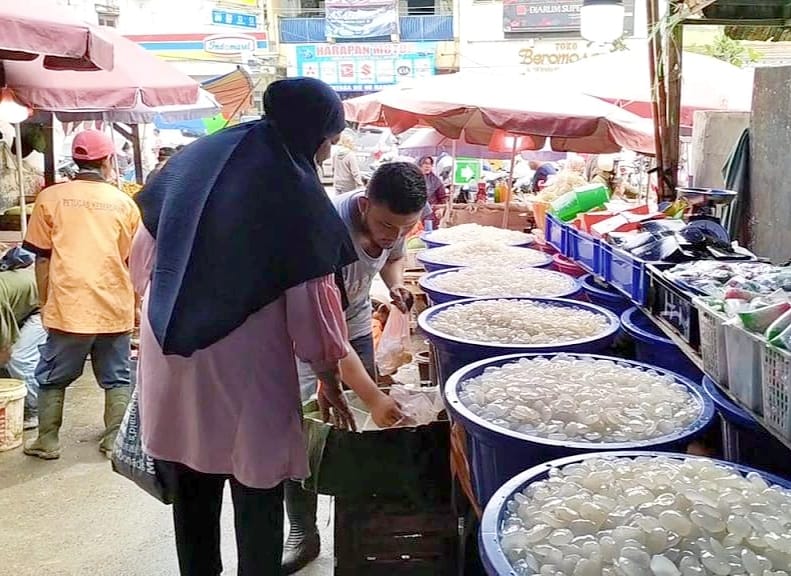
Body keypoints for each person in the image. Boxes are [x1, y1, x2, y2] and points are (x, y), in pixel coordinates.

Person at [131, 77, 375, 576]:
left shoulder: (197, 158)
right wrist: (327, 372)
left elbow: (141, 259)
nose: (327, 155)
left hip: (168, 348)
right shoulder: (291, 184)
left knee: (193, 480)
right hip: (244, 362)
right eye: (329, 143)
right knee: (256, 481)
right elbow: (313, 299)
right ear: (313, 133)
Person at [286, 161, 427, 573]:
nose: (393, 235)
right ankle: (302, 529)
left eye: (406, 227)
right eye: (386, 224)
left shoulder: (394, 223)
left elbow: (392, 257)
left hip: (357, 326)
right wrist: (373, 395)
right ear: (364, 204)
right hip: (312, 338)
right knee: (305, 433)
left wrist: (395, 282)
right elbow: (327, 334)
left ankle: (356, 516)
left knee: (358, 429)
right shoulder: (325, 229)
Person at [22, 130, 140, 460]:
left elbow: (43, 260)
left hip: (69, 305)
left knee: (51, 377)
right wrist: (135, 305)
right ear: (107, 161)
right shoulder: (124, 203)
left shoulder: (50, 198)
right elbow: (132, 261)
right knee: (116, 375)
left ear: (76, 160)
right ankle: (112, 440)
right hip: (113, 304)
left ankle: (47, 441)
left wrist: (45, 303)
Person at [0, 265, 46, 430]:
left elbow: (4, 350)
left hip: (43, 307)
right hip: (24, 302)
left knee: (18, 359)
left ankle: (33, 411)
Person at [418, 156, 447, 228]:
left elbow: (443, 197)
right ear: (419, 165)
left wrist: (441, 209)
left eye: (430, 164)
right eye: (425, 163)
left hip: (431, 214)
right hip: (415, 213)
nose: (427, 166)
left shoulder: (435, 181)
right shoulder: (412, 178)